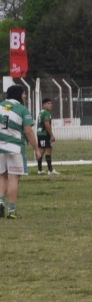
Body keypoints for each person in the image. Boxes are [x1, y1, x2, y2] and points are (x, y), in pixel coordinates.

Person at [0, 84, 37, 219]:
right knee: (14, 178)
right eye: (24, 93)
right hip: (15, 147)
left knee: (2, 176)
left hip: (0, 147)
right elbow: (28, 131)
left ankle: (0, 203)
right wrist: (36, 148)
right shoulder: (22, 109)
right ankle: (11, 211)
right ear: (18, 94)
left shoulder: (0, 106)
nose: (25, 96)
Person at [35, 97, 55, 175]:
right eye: (48, 103)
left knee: (41, 151)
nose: (50, 105)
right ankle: (50, 170)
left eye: (51, 103)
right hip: (45, 134)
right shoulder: (46, 113)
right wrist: (51, 135)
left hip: (40, 134)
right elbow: (47, 124)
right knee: (48, 150)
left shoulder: (41, 112)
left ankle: (40, 170)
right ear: (44, 105)